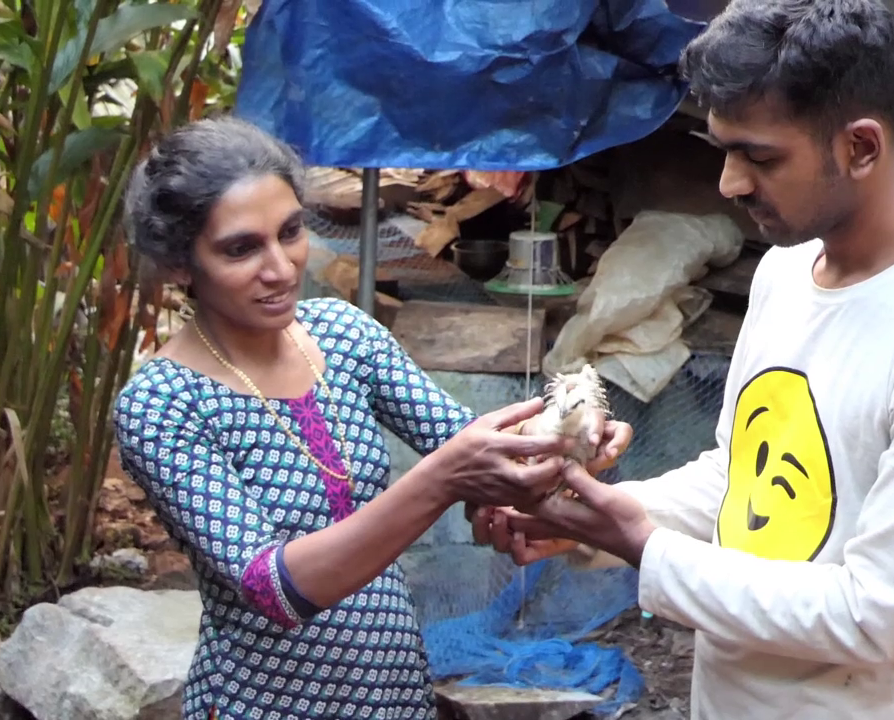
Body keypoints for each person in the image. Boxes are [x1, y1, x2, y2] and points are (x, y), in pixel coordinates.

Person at [475, 1, 894, 718]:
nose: (730, 184)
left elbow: (875, 614)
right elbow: (744, 475)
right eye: (724, 150)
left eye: (760, 156)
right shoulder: (788, 269)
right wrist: (590, 515)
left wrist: (643, 546)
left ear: (861, 147)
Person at [111, 116, 632, 720]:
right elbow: (273, 588)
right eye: (240, 248)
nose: (280, 267)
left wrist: (572, 432)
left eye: (290, 232)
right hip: (264, 704)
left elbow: (480, 446)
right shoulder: (164, 403)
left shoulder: (344, 335)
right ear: (180, 264)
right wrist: (440, 481)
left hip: (396, 695)